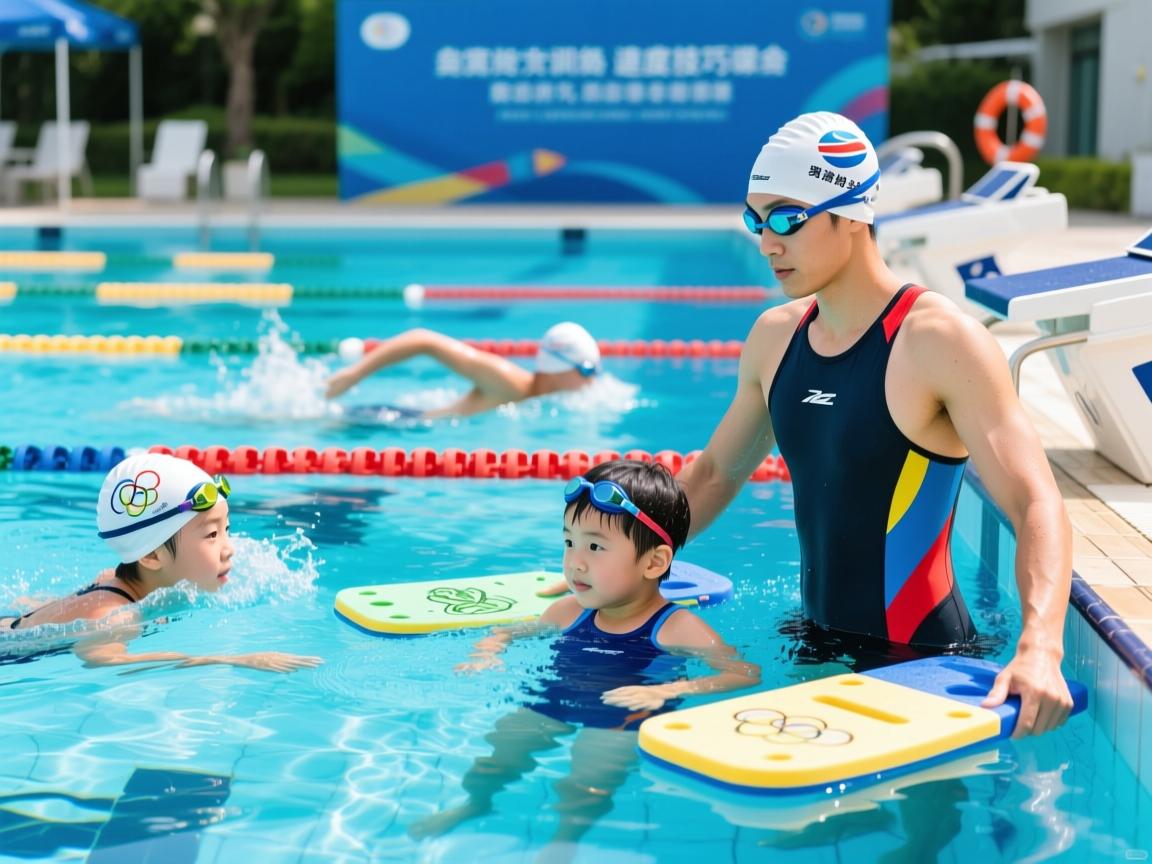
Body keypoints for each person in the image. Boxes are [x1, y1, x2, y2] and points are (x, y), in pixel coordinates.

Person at [676, 111, 1074, 737]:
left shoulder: (937, 340)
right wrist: (621, 558)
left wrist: (1041, 647)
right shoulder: (776, 338)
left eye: (786, 218)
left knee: (919, 839)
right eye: (756, 220)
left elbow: (1035, 504)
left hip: (923, 659)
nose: (766, 242)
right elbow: (714, 475)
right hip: (811, 643)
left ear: (852, 213)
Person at [409, 460, 759, 848]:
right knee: (498, 755)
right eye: (569, 542)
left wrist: (666, 692)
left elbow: (742, 674)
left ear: (654, 562)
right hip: (552, 698)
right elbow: (506, 632)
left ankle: (565, 840)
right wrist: (488, 652)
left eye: (595, 546)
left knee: (587, 782)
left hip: (622, 713)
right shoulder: (568, 611)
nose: (575, 561)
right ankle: (475, 803)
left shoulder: (676, 627)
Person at [1, 452, 323, 673]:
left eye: (227, 529)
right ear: (151, 556)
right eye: (211, 535)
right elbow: (102, 658)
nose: (230, 549)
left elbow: (65, 609)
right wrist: (231, 660)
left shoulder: (114, 580)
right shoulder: (116, 618)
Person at [324, 321, 600, 418]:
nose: (593, 381)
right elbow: (424, 340)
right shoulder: (508, 382)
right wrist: (354, 374)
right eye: (588, 371)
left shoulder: (531, 397)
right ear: (558, 367)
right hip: (397, 423)